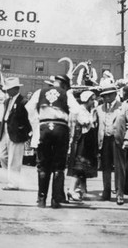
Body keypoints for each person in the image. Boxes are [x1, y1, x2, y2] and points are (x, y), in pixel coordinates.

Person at [25, 74, 80, 208]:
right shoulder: (67, 94)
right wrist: (72, 125)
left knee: (43, 165)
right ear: (65, 85)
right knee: (59, 166)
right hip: (61, 129)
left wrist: (37, 123)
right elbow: (77, 110)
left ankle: (41, 199)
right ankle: (56, 200)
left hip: (44, 128)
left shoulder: (40, 92)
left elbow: (28, 108)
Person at [0, 77, 31, 191]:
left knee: (14, 159)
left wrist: (25, 131)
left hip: (17, 132)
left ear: (16, 89)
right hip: (6, 130)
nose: (7, 91)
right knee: (2, 156)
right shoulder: (7, 101)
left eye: (9, 89)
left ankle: (13, 183)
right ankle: (10, 178)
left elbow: (29, 119)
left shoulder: (24, 102)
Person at [66, 91, 98, 201]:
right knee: (80, 167)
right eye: (91, 100)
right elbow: (86, 122)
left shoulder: (87, 110)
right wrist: (93, 117)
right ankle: (71, 189)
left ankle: (83, 190)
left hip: (87, 141)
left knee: (84, 167)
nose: (93, 102)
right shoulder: (80, 110)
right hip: (81, 141)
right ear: (87, 100)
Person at [96, 86, 122, 202]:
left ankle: (119, 194)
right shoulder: (99, 109)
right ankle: (106, 192)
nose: (105, 97)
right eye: (104, 95)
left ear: (114, 95)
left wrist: (127, 140)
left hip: (117, 140)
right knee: (105, 167)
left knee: (118, 167)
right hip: (104, 140)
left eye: (108, 95)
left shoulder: (123, 107)